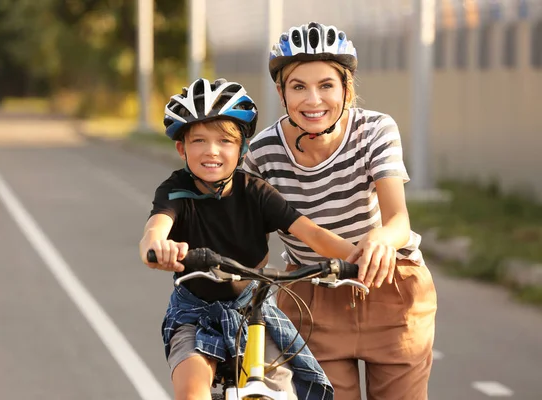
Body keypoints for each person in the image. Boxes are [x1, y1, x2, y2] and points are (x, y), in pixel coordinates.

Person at [243, 22, 437, 399]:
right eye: (298, 86)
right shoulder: (262, 152)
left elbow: (398, 219)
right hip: (311, 296)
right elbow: (250, 238)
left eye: (326, 85)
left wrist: (381, 239)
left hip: (392, 288)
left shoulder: (375, 130)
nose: (313, 100)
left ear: (346, 89)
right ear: (281, 92)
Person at [139, 77, 365, 400]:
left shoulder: (255, 192)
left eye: (225, 141)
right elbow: (154, 230)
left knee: (284, 392)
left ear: (243, 148)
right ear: (181, 148)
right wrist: (158, 248)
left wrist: (360, 258)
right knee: (192, 393)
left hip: (254, 309)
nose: (212, 151)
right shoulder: (176, 190)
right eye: (199, 141)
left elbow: (312, 233)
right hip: (194, 312)